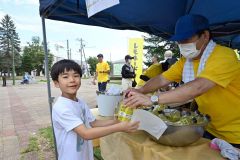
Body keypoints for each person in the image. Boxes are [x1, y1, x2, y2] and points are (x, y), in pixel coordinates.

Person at [124, 14, 240, 148]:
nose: (182, 44)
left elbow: (198, 87)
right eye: (179, 41)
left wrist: (153, 99)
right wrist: (140, 90)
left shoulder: (224, 56)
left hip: (235, 135)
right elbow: (163, 78)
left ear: (205, 36)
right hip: (208, 128)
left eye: (186, 39)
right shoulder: (186, 61)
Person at [50, 59, 139, 160]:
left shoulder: (80, 102)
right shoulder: (62, 107)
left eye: (76, 75)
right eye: (65, 77)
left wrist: (116, 122)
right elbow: (86, 134)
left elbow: (94, 123)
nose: (72, 80)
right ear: (56, 83)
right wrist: (119, 127)